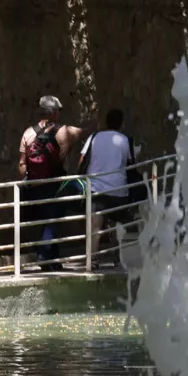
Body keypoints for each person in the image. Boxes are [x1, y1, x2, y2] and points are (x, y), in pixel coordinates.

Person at [18, 95, 86, 270]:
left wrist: (29, 180)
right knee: (53, 220)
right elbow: (82, 132)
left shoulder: (28, 132)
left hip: (33, 186)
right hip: (53, 184)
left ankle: (52, 260)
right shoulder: (63, 131)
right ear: (55, 113)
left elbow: (22, 163)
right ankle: (44, 258)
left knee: (46, 221)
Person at [79, 108, 136, 268]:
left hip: (95, 188)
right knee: (118, 224)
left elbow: (82, 159)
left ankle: (93, 259)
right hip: (118, 189)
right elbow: (130, 163)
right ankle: (117, 257)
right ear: (121, 123)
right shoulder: (125, 140)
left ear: (106, 122)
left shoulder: (94, 137)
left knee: (95, 226)